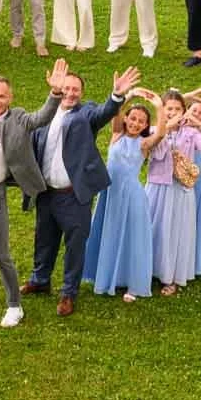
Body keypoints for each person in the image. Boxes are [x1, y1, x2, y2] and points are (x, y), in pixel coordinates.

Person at [14, 64, 141, 316]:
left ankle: (68, 293)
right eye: (67, 88)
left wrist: (116, 96)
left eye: (76, 89)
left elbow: (104, 113)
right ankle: (40, 280)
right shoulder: (45, 115)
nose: (71, 93)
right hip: (47, 193)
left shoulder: (86, 113)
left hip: (73, 195)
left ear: (81, 93)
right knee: (44, 239)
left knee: (75, 245)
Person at [0, 69, 64, 326]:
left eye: (2, 96)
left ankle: (14, 305)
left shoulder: (18, 118)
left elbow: (42, 117)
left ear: (10, 97)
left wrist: (55, 92)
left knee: (0, 253)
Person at [83, 94, 158, 302]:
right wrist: (129, 96)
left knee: (132, 236)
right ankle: (107, 276)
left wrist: (159, 106)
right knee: (109, 232)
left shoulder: (144, 143)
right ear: (125, 118)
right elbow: (115, 111)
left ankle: (133, 283)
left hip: (132, 195)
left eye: (141, 121)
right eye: (132, 118)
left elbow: (161, 132)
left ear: (146, 125)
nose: (135, 123)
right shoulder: (116, 134)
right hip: (110, 193)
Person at [147, 92, 201, 293]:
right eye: (169, 108)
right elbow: (154, 151)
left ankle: (170, 276)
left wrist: (199, 126)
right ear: (162, 110)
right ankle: (149, 268)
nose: (172, 112)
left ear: (184, 111)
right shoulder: (154, 130)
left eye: (177, 109)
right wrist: (166, 127)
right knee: (154, 228)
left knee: (175, 231)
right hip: (158, 187)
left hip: (180, 189)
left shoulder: (190, 133)